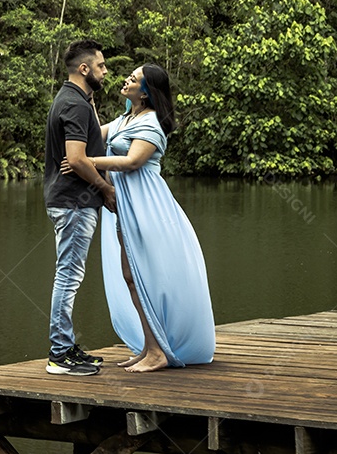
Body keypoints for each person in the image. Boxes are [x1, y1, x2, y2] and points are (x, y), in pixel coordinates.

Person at [63, 64, 215, 372]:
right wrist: (87, 97)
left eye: (133, 79)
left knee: (142, 275)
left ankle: (158, 352)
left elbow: (132, 162)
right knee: (132, 277)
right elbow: (94, 132)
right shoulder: (125, 119)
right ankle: (150, 347)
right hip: (127, 206)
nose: (126, 80)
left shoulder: (151, 124)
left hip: (148, 206)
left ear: (145, 92)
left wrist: (87, 160)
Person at [43, 39, 117, 376]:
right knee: (68, 276)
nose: (106, 71)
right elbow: (75, 158)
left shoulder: (74, 99)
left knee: (69, 274)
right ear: (84, 69)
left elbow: (88, 143)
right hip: (74, 202)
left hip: (70, 201)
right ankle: (59, 354)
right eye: (101, 66)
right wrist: (105, 188)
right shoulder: (75, 105)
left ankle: (66, 346)